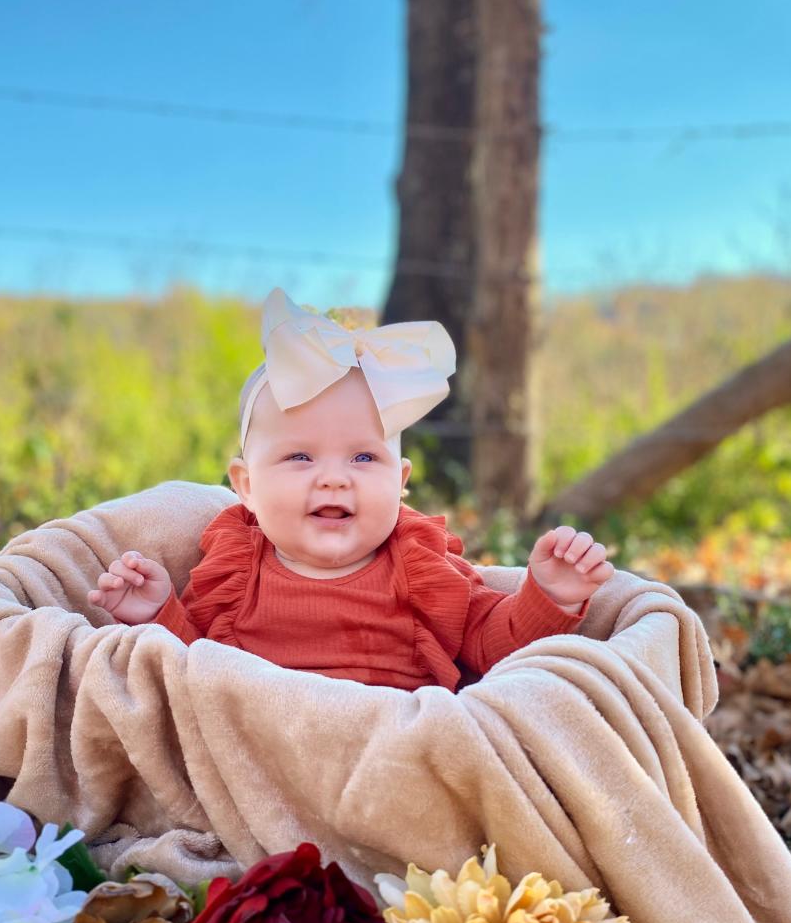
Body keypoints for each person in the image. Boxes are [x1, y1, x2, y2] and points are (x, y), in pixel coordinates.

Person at [87, 289, 614, 692]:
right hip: (263, 754)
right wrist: (157, 613)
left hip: (390, 754)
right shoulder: (235, 566)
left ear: (400, 482)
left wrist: (548, 595)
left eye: (364, 457)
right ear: (245, 485)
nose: (335, 478)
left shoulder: (418, 564)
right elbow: (193, 671)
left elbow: (489, 646)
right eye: (300, 457)